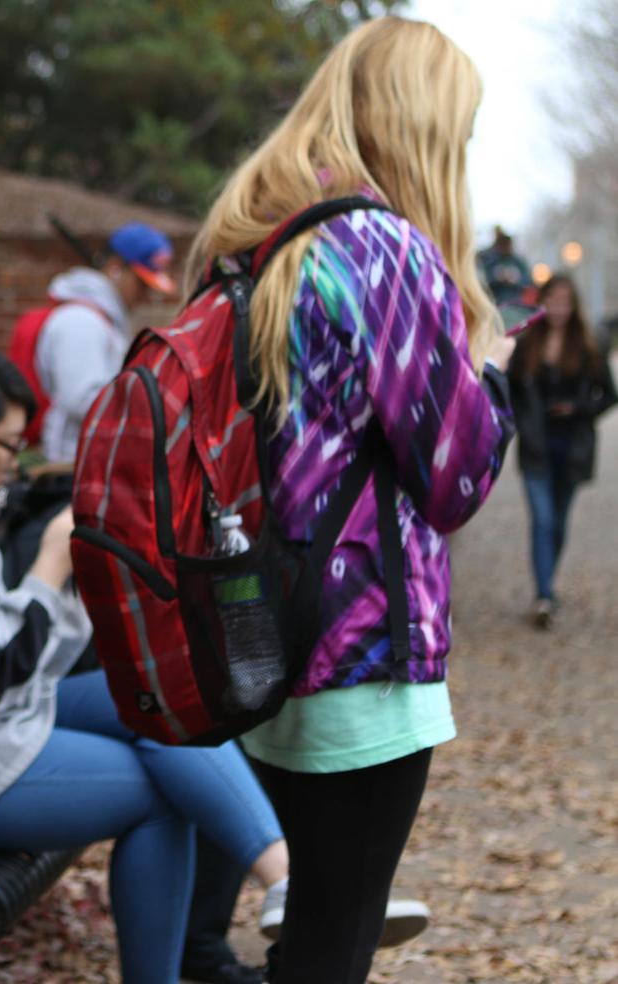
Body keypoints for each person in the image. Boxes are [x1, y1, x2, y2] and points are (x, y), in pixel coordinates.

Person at [181, 17, 517, 983]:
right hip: (362, 660)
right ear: (421, 127)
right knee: (333, 947)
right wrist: (489, 378)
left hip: (260, 636)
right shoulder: (383, 249)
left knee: (309, 939)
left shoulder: (257, 241)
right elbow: (454, 480)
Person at [0, 340, 292, 983]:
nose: (14, 466)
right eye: (8, 445)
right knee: (161, 796)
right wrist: (47, 571)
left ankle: (284, 879)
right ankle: (274, 892)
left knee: (164, 704)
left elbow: (20, 662)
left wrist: (71, 579)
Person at [510, 274, 617, 627]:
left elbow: (608, 395)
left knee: (557, 523)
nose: (558, 308)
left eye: (564, 301)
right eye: (552, 300)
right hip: (536, 446)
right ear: (542, 301)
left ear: (573, 305)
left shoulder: (588, 345)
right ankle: (544, 595)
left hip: (572, 446)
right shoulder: (528, 344)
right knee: (542, 520)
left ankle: (546, 585)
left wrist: (578, 409)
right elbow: (510, 393)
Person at [22, 221, 177, 463]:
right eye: (141, 285)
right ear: (115, 268)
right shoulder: (82, 321)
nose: (148, 297)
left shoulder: (101, 319)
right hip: (68, 464)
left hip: (84, 460)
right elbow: (80, 399)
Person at [478, 226, 535, 307]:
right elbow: (484, 281)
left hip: (516, 303)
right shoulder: (491, 262)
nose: (505, 248)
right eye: (502, 245)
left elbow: (529, 281)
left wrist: (515, 279)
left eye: (507, 245)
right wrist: (498, 279)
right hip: (495, 303)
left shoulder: (519, 262)